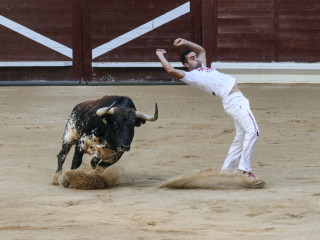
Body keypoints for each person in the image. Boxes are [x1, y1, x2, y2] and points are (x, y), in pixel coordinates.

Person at [156, 38, 262, 183]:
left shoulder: (203, 68)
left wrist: (185, 42)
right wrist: (160, 55)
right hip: (234, 101)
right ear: (186, 65)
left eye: (196, 57)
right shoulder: (191, 76)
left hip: (237, 100)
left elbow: (202, 50)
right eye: (192, 59)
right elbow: (170, 70)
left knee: (241, 137)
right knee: (253, 131)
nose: (197, 58)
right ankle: (245, 170)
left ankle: (226, 173)